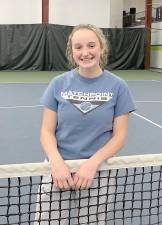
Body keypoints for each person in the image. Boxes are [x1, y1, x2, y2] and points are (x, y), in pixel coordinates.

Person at [34, 24, 136, 224]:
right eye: (78, 47)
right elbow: (46, 131)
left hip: (97, 172)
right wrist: (56, 162)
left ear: (101, 48)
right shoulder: (58, 83)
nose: (85, 52)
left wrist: (92, 164)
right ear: (72, 52)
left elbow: (120, 136)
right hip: (57, 169)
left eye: (91, 45)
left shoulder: (118, 86)